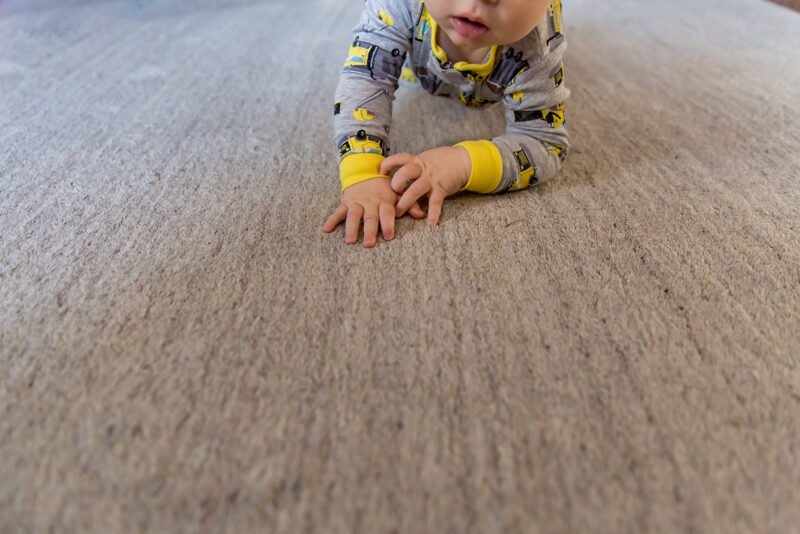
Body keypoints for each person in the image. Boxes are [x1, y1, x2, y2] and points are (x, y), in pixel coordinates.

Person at [322, 0, 570, 247]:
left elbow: (545, 142)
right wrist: (362, 170)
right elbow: (364, 79)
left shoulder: (538, 45)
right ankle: (409, 56)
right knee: (390, 53)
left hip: (509, 66)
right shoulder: (399, 5)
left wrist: (463, 163)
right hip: (415, 38)